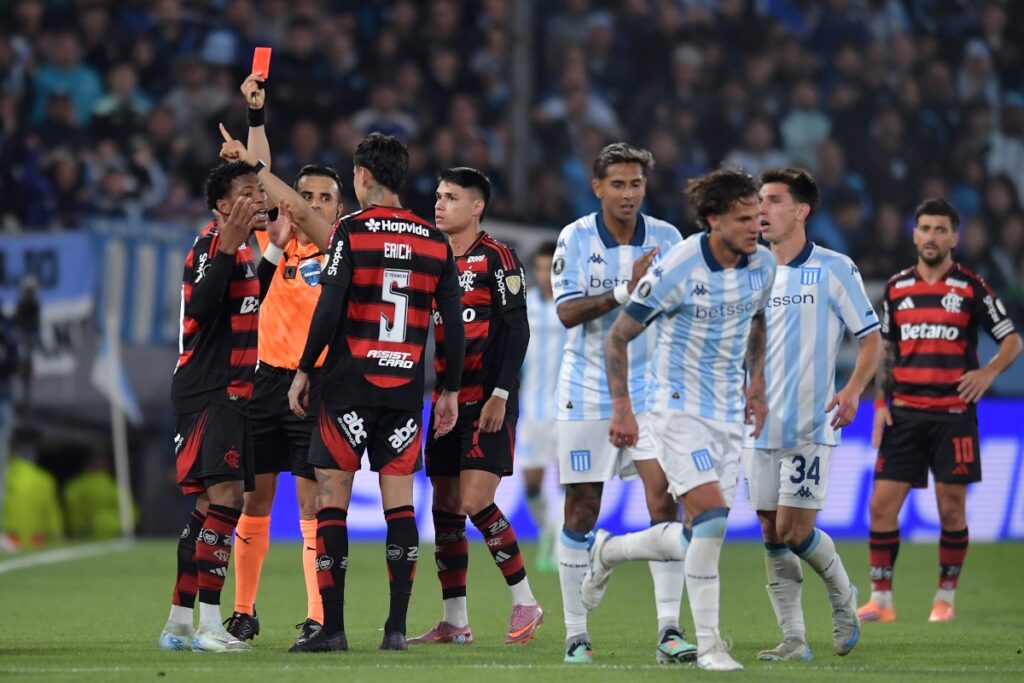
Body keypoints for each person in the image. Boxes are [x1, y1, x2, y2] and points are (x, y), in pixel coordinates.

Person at [219, 130, 466, 652]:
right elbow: (452, 328)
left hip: (349, 385)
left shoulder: (351, 231)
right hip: (403, 389)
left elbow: (330, 307)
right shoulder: (434, 240)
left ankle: (330, 627)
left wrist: (308, 368)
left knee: (331, 504)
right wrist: (448, 389)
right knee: (400, 509)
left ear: (362, 177)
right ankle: (396, 629)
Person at [580, 168, 777, 672]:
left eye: (758, 216)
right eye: (743, 218)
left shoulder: (765, 265)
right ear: (713, 219)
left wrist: (756, 383)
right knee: (710, 519)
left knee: (696, 535)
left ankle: (610, 551)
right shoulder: (678, 266)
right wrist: (623, 407)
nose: (756, 226)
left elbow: (756, 320)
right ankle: (710, 646)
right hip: (676, 409)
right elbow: (617, 337)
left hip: (729, 415)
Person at [550, 142, 691, 665]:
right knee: (582, 506)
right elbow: (566, 313)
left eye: (635, 184)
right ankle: (576, 634)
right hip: (587, 387)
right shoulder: (576, 238)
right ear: (597, 188)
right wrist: (622, 293)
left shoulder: (670, 239)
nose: (628, 194)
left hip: (653, 390)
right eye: (617, 184)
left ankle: (670, 630)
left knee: (664, 501)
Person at [222, 74, 346, 650]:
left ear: (338, 207)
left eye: (323, 198)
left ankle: (318, 616)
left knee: (312, 503)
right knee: (254, 499)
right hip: (263, 380)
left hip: (316, 384)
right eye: (307, 196)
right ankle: (242, 612)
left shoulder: (342, 248)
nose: (312, 205)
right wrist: (256, 116)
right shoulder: (272, 242)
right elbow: (261, 175)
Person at [859, 198, 1021, 623]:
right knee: (880, 506)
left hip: (954, 415)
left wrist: (987, 374)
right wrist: (880, 403)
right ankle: (882, 601)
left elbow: (1012, 341)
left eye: (940, 229)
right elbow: (887, 350)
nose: (931, 236)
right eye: (925, 228)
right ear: (914, 235)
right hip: (905, 413)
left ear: (955, 237)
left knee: (951, 509)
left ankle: (944, 598)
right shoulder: (896, 288)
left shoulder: (971, 287)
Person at [746, 167, 880, 661]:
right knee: (768, 529)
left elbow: (870, 338)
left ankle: (844, 596)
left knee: (794, 531)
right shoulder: (747, 269)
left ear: (801, 210)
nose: (762, 208)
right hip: (756, 426)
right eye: (760, 199)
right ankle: (794, 639)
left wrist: (852, 389)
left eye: (775, 200)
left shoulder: (832, 267)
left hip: (810, 422)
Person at [409, 167, 542, 646]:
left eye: (451, 197)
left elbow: (517, 331)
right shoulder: (433, 259)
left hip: (488, 402)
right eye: (438, 194)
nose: (439, 203)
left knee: (473, 501)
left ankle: (526, 600)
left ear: (477, 207)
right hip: (447, 401)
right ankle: (455, 621)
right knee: (445, 509)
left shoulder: (498, 258)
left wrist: (501, 395)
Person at [158, 158, 269, 653]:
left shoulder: (239, 250)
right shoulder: (212, 246)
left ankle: (179, 625)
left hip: (230, 391)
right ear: (223, 206)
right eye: (248, 192)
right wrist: (228, 247)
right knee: (226, 500)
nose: (259, 199)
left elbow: (244, 301)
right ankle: (210, 625)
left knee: (208, 507)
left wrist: (274, 252)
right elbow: (201, 310)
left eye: (259, 191)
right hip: (212, 390)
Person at [517, 241, 566, 573]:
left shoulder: (572, 308)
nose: (545, 275)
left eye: (552, 268)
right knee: (531, 484)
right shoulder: (525, 307)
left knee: (568, 482)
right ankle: (548, 530)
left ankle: (559, 545)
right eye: (540, 268)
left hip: (567, 410)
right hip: (532, 410)